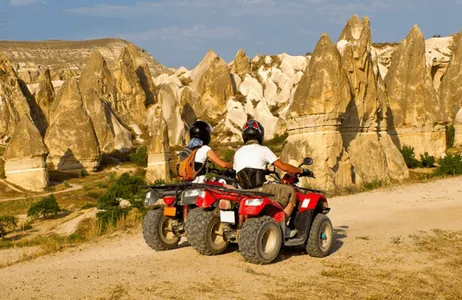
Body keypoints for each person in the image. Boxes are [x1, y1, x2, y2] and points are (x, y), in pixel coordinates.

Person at [233, 120, 313, 237]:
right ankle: (283, 226)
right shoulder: (263, 149)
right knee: (292, 192)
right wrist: (302, 170)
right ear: (260, 135)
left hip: (245, 191)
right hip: (261, 189)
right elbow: (284, 167)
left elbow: (239, 173)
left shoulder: (238, 152)